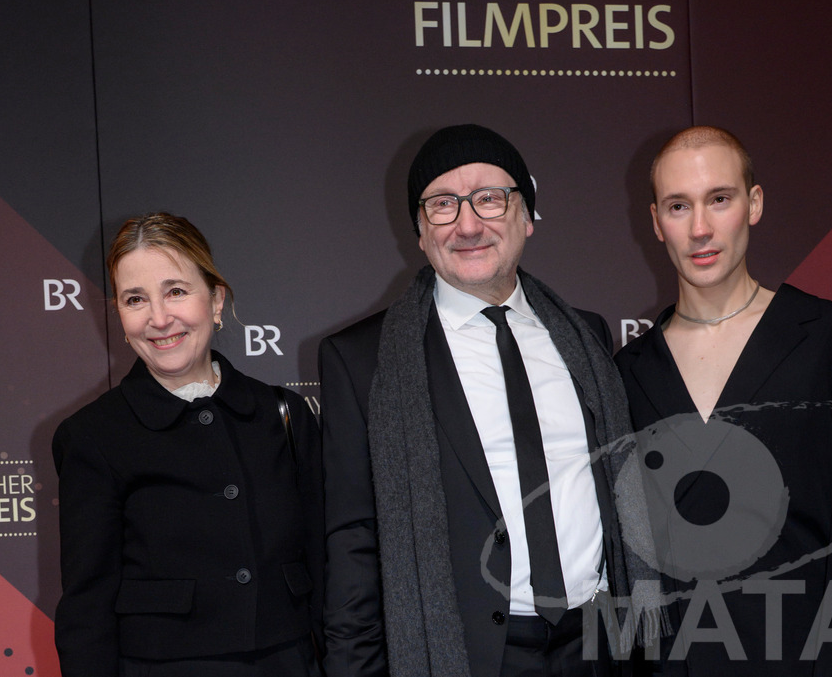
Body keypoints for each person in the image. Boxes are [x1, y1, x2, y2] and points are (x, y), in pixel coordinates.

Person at [319, 124, 661, 677]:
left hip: (601, 647)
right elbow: (353, 543)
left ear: (526, 216)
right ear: (420, 231)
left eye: (489, 198)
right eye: (443, 205)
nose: (468, 224)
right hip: (470, 657)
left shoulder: (588, 337)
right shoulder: (363, 360)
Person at [615, 126, 832, 675]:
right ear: (656, 222)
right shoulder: (625, 376)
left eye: (718, 199)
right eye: (679, 206)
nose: (700, 228)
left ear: (753, 204)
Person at [52, 212, 324, 677]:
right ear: (119, 314)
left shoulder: (286, 416)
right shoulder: (92, 437)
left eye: (176, 291)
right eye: (136, 299)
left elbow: (329, 569)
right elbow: (87, 609)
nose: (159, 318)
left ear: (215, 300)